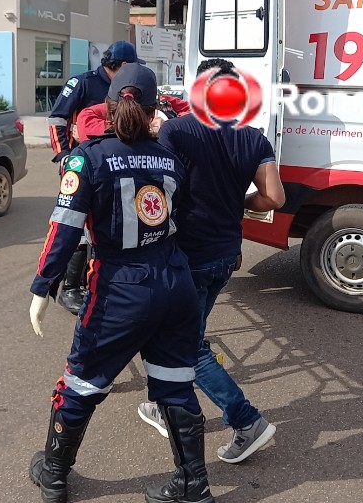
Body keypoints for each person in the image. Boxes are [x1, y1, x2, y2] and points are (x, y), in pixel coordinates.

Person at [28, 63, 215, 503]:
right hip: (175, 284)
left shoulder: (86, 158)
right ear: (154, 110)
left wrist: (42, 286)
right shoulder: (170, 158)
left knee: (81, 383)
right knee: (175, 385)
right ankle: (194, 484)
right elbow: (182, 217)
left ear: (107, 107)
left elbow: (65, 230)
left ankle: (54, 474)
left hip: (120, 290)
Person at [137, 58, 286, 465]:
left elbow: (158, 193)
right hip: (224, 256)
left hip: (184, 256)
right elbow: (274, 198)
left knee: (184, 345)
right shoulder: (254, 138)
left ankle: (245, 419)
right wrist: (233, 204)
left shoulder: (177, 131)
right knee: (180, 334)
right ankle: (161, 404)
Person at [46, 40, 144, 316]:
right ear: (123, 66)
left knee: (104, 225)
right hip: (82, 164)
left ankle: (95, 283)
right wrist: (63, 154)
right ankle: (69, 289)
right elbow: (56, 120)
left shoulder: (127, 89)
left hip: (114, 164)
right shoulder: (83, 83)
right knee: (76, 226)